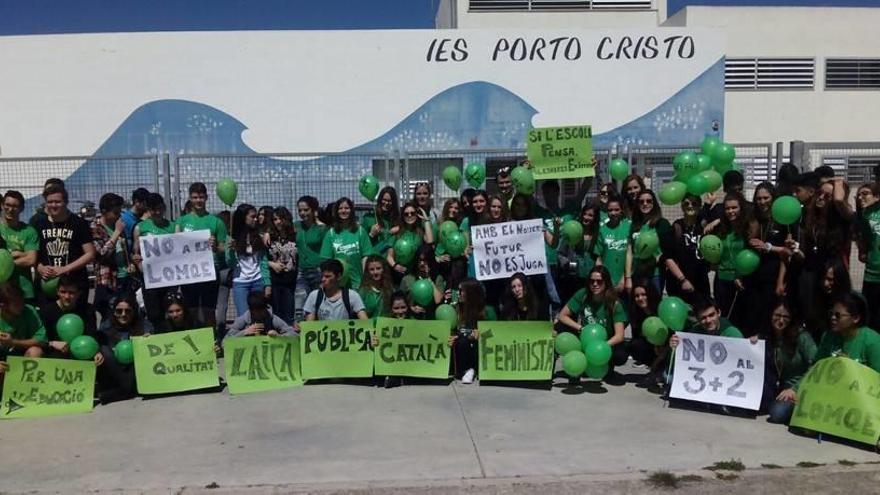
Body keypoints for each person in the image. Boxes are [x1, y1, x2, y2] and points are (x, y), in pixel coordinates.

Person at [773, 293, 880, 424]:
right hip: (828, 398)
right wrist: (795, 390)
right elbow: (815, 370)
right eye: (831, 314)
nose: (833, 318)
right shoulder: (828, 337)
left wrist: (852, 368)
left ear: (856, 318)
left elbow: (876, 380)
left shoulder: (872, 341)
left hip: (858, 402)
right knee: (778, 413)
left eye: (838, 315)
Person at [557, 266, 629, 380]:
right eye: (592, 281)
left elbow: (619, 336)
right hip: (584, 339)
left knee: (620, 355)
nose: (595, 284)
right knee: (559, 327)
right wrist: (580, 328)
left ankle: (606, 363)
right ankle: (577, 364)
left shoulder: (614, 303)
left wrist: (601, 347)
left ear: (606, 283)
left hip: (604, 341)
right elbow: (562, 315)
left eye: (599, 281)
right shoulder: (583, 294)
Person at [740, 182, 789, 337]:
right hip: (752, 278)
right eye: (759, 198)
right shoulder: (752, 220)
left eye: (765, 198)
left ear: (773, 198)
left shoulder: (781, 220)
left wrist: (767, 247)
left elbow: (787, 252)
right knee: (750, 319)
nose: (762, 202)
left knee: (767, 320)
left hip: (772, 277)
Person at [175, 182, 227, 329]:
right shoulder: (181, 221)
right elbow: (175, 247)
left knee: (208, 310)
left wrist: (216, 245)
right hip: (188, 273)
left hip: (209, 271)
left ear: (206, 198)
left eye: (201, 197)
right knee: (190, 309)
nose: (198, 200)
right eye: (195, 197)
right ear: (190, 198)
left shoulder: (216, 222)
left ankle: (212, 341)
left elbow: (223, 248)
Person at [33, 183, 96, 304]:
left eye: (57, 202)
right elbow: (32, 254)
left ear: (66, 202)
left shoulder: (79, 223)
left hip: (74, 284)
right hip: (47, 285)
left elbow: (90, 253)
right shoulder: (38, 224)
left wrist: (65, 268)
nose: (53, 205)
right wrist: (40, 267)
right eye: (50, 202)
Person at [763, 302, 817, 424]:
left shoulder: (802, 337)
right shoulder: (768, 336)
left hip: (798, 389)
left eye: (785, 317)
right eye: (777, 315)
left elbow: (816, 365)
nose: (781, 320)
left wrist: (795, 389)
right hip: (777, 388)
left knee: (777, 414)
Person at [709, 193, 757, 324]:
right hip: (721, 280)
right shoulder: (721, 229)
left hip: (741, 281)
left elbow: (751, 256)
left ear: (741, 208)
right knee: (723, 318)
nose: (731, 211)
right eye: (727, 208)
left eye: (734, 207)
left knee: (740, 319)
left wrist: (740, 275)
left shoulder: (748, 228)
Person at [94, 293, 150, 403]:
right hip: (114, 369)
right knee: (104, 350)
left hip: (134, 369)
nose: (123, 315)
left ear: (134, 312)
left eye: (128, 311)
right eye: (119, 311)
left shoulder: (144, 325)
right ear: (114, 312)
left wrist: (148, 340)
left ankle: (122, 392)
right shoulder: (106, 326)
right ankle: (128, 391)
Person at [132, 193, 176, 328]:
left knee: (171, 312)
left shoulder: (173, 227)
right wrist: (137, 261)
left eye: (160, 208)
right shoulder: (140, 227)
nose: (157, 212)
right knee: (154, 314)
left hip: (170, 278)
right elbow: (136, 253)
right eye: (153, 209)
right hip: (151, 279)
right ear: (148, 210)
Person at [227, 203, 271, 317]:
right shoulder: (232, 237)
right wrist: (231, 251)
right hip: (240, 282)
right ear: (243, 218)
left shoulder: (259, 235)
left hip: (258, 280)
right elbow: (230, 263)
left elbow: (263, 261)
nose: (256, 219)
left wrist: (267, 283)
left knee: (260, 315)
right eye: (252, 216)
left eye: (256, 216)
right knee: (244, 316)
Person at [319, 197, 373, 289]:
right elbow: (327, 261)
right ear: (336, 211)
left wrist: (365, 278)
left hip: (357, 283)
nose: (343, 211)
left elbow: (365, 256)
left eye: (347, 208)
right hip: (338, 285)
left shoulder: (360, 231)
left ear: (351, 210)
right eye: (340, 208)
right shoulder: (331, 233)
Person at [92, 193, 131, 318]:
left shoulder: (117, 225)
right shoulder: (95, 228)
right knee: (110, 317)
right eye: (115, 212)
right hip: (108, 281)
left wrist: (129, 263)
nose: (118, 216)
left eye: (120, 212)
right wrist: (116, 233)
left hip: (124, 277)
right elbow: (102, 254)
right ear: (104, 211)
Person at [38, 275, 98, 357]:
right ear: (57, 292)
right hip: (55, 352)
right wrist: (52, 343)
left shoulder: (87, 310)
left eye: (71, 293)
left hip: (82, 351)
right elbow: (40, 339)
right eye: (63, 292)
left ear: (78, 293)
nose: (67, 297)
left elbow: (91, 336)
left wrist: (96, 352)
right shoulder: (47, 311)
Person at [626, 189, 672, 293]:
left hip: (655, 274)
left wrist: (651, 263)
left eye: (648, 201)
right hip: (637, 274)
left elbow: (668, 251)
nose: (645, 204)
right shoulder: (634, 225)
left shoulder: (662, 223)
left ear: (654, 203)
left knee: (654, 305)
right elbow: (630, 251)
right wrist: (628, 277)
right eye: (641, 202)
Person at [666, 193, 709, 304]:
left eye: (694, 203)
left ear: (699, 206)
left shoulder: (704, 226)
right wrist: (683, 280)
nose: (690, 206)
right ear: (682, 206)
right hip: (679, 283)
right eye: (686, 204)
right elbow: (668, 257)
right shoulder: (677, 226)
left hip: (701, 281)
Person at [0, 190, 39, 304]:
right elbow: (27, 257)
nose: (10, 209)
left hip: (24, 290)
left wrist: (6, 262)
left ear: (22, 208)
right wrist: (19, 254)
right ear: (2, 205)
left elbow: (31, 259)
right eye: (7, 205)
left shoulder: (29, 231)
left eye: (15, 206)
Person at [294, 196, 327, 322]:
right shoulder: (296, 226)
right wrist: (268, 233)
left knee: (319, 302)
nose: (302, 213)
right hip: (302, 270)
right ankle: (299, 331)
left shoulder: (322, 229)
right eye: (300, 210)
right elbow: (279, 230)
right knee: (299, 300)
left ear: (314, 210)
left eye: (306, 210)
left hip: (318, 270)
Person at [626, 279, 667, 381]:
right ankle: (657, 368)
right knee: (634, 345)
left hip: (668, 346)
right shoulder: (635, 313)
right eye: (637, 296)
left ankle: (662, 368)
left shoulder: (662, 310)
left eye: (644, 294)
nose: (640, 298)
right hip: (653, 348)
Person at [303, 259, 369, 321]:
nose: (323, 279)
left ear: (339, 276)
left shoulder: (352, 296)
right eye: (322, 276)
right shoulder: (314, 296)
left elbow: (364, 322)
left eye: (327, 276)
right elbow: (309, 325)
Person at [265, 206, 297, 325]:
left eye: (281, 218)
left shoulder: (295, 235)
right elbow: (261, 259)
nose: (278, 222)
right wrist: (272, 264)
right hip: (275, 280)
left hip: (291, 281)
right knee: (277, 314)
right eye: (275, 219)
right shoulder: (269, 238)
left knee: (290, 313)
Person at [386, 201, 434, 280]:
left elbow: (430, 242)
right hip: (397, 272)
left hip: (414, 272)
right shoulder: (396, 232)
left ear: (416, 214)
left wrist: (426, 219)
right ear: (402, 216)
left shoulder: (420, 232)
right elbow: (389, 256)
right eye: (406, 214)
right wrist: (395, 266)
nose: (409, 215)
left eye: (412, 213)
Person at [450, 278, 484, 384]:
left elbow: (494, 332)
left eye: (461, 291)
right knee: (461, 340)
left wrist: (481, 334)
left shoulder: (485, 311)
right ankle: (464, 370)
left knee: (467, 341)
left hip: (476, 350)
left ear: (471, 293)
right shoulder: (455, 310)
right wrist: (451, 336)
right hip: (460, 350)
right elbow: (451, 330)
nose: (458, 294)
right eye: (457, 291)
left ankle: (473, 369)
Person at [855, 182, 880, 328]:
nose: (860, 197)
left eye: (865, 194)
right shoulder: (863, 216)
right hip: (871, 275)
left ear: (877, 197)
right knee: (870, 320)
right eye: (858, 194)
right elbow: (863, 254)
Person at [0, 282, 46, 360]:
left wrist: (13, 342)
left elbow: (41, 340)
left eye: (22, 302)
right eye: (17, 304)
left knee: (36, 351)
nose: (22, 306)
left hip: (22, 356)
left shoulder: (29, 310)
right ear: (3, 305)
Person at [594, 196, 631, 293]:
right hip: (607, 279)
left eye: (616, 210)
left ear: (621, 211)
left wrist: (625, 278)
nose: (613, 213)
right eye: (610, 210)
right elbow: (599, 258)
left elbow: (631, 254)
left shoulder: (628, 227)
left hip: (625, 279)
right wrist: (601, 279)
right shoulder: (602, 230)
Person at [225, 291, 296, 338]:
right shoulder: (242, 320)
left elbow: (295, 335)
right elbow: (225, 342)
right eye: (257, 311)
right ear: (251, 310)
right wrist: (244, 332)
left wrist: (279, 336)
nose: (260, 314)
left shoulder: (273, 319)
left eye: (262, 310)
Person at [401, 244, 445, 318]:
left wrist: (429, 278)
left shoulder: (438, 279)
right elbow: (400, 302)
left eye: (425, 260)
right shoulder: (407, 279)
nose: (422, 264)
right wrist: (411, 308)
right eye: (420, 260)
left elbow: (438, 300)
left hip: (430, 321)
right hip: (412, 320)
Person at [362, 186, 399, 255]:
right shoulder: (369, 218)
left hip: (391, 260)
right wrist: (371, 235)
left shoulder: (397, 219)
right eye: (384, 200)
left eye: (389, 201)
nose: (386, 203)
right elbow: (362, 244)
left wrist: (401, 228)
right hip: (374, 259)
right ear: (380, 199)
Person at [359, 255, 393, 319]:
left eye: (378, 268)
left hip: (387, 327)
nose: (375, 272)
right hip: (369, 327)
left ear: (384, 269)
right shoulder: (363, 292)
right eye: (372, 269)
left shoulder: (390, 289)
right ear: (368, 272)